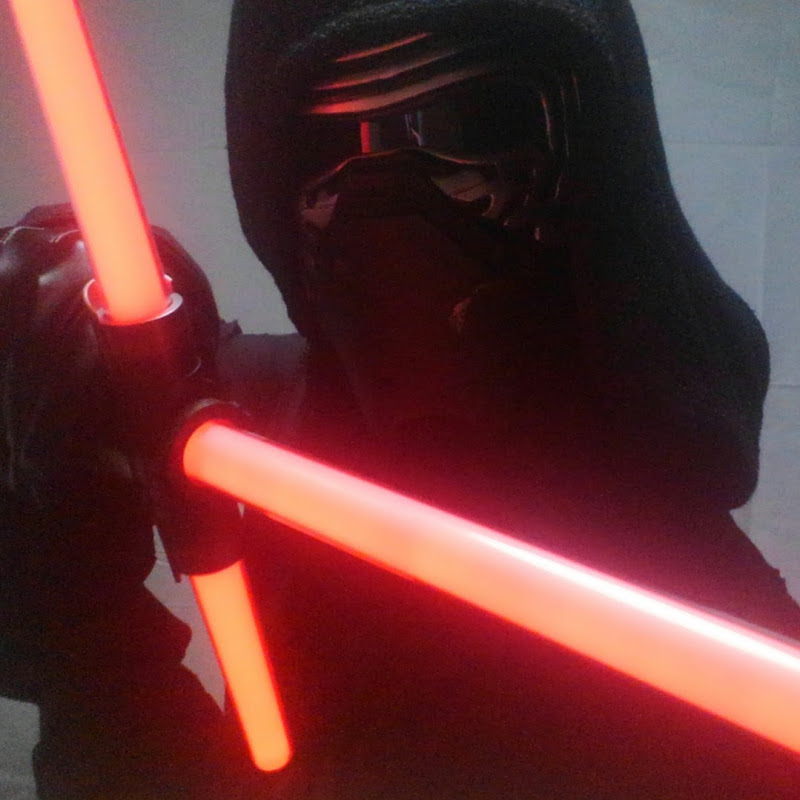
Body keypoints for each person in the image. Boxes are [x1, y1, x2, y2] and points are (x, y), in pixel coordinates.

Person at [2, 0, 800, 797]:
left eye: (464, 124)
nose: (388, 194)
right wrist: (92, 621)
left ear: (592, 159)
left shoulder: (699, 594)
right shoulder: (266, 427)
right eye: (327, 148)